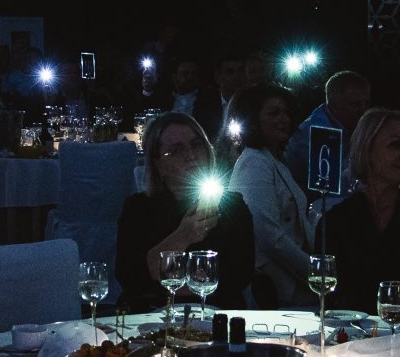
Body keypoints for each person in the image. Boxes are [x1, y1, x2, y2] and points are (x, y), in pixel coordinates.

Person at [114, 112, 254, 313]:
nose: (191, 155)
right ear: (158, 164)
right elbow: (131, 277)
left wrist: (169, 283)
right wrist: (185, 235)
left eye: (197, 145)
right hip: (152, 315)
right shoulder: (139, 209)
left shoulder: (231, 205)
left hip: (217, 313)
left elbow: (240, 274)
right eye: (177, 150)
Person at [320, 110, 400, 317]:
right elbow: (331, 300)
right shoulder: (337, 221)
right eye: (395, 145)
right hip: (355, 332)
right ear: (368, 150)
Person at [229, 83, 315, 307]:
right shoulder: (254, 163)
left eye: (286, 112)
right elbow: (268, 236)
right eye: (274, 113)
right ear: (253, 120)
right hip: (276, 284)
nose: (283, 119)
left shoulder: (272, 159)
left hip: (290, 277)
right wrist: (316, 270)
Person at [284, 70, 370, 216]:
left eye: (366, 103)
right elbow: (331, 192)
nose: (363, 110)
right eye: (355, 104)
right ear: (334, 102)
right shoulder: (319, 134)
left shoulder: (347, 125)